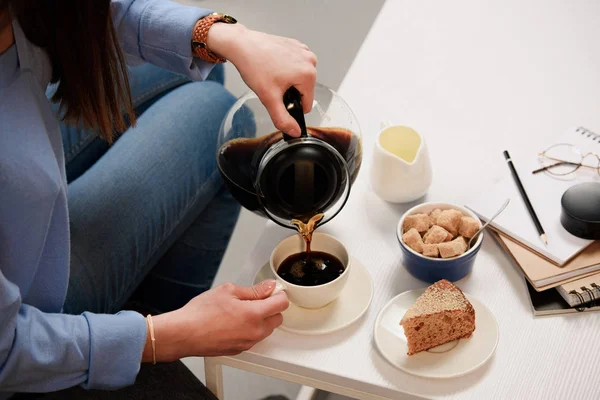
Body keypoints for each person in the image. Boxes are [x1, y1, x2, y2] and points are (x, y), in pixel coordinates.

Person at [0, 0, 317, 396]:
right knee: (212, 117)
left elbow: (82, 13)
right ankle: (142, 329)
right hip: (25, 330)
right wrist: (165, 336)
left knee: (201, 81)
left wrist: (221, 35)